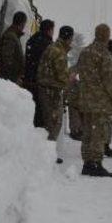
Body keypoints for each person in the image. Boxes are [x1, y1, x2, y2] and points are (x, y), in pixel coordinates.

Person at [77, 24, 112, 177]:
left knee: (88, 132)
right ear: (106, 36)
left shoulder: (85, 52)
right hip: (100, 102)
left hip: (85, 99)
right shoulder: (103, 54)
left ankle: (87, 163)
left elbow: (80, 74)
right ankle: (95, 163)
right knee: (99, 133)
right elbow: (110, 81)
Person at [36, 26, 75, 164]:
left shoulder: (52, 48)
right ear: (69, 38)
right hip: (51, 92)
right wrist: (70, 77)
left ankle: (48, 152)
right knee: (54, 124)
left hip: (45, 89)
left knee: (50, 123)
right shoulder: (59, 52)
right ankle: (48, 155)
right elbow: (62, 77)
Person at [25, 19, 55, 127]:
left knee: (31, 112)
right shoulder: (48, 45)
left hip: (29, 80)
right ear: (49, 30)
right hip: (41, 84)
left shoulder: (31, 40)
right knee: (41, 115)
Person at [0, 11, 27, 85]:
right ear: (22, 23)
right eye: (24, 24)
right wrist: (14, 77)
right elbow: (7, 59)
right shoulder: (11, 36)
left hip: (10, 78)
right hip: (8, 78)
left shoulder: (14, 35)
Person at [66, 65, 83, 141]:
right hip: (76, 97)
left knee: (75, 115)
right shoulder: (78, 70)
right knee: (75, 115)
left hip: (75, 97)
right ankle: (76, 132)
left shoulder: (73, 69)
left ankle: (77, 131)